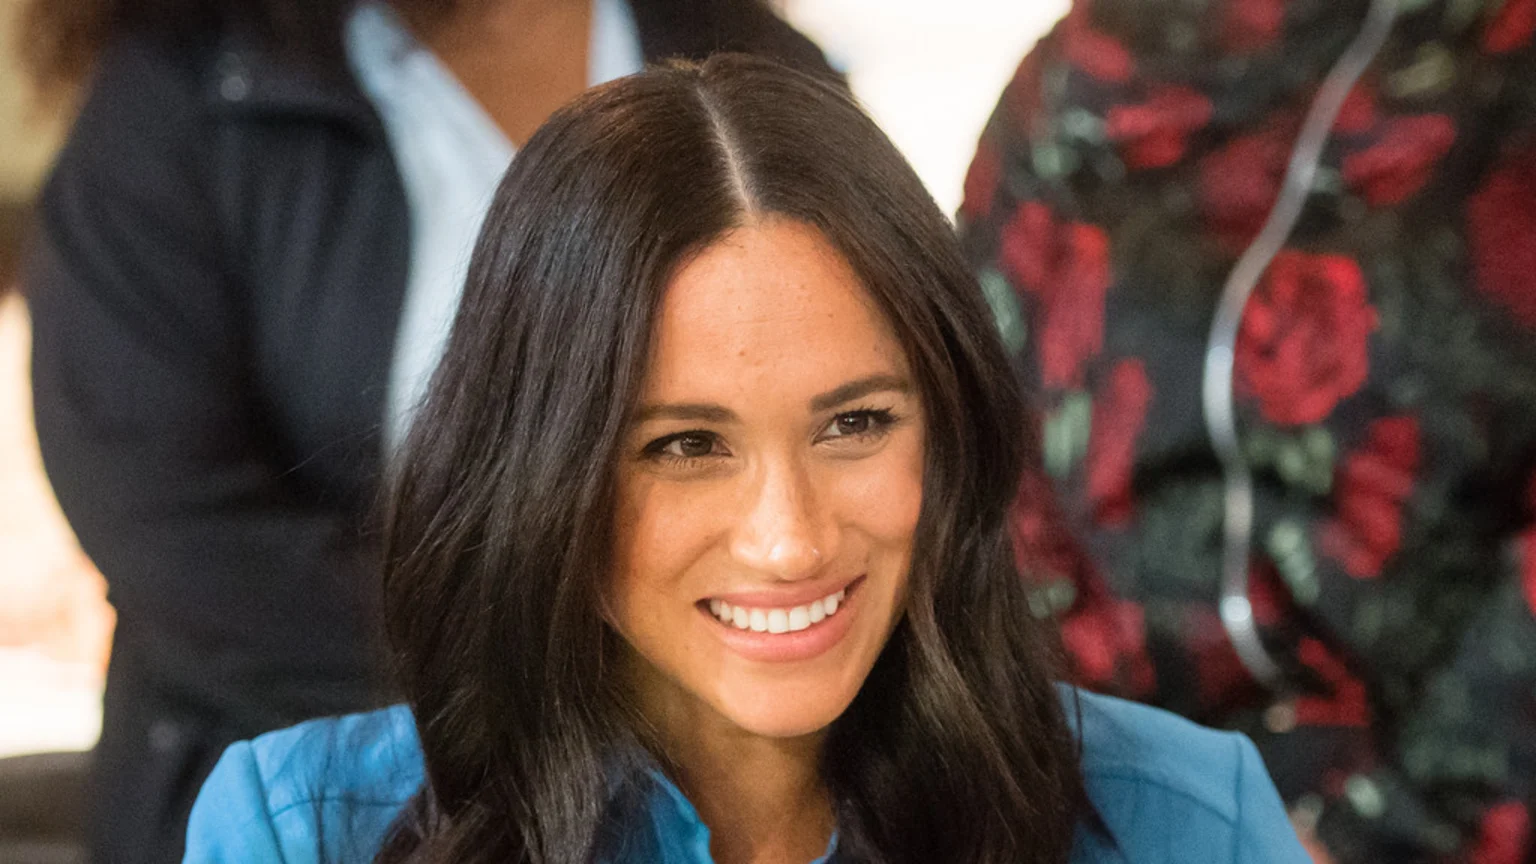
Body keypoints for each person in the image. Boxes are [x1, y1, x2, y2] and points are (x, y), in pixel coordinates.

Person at [181, 55, 1309, 864]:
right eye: (684, 445)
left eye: (856, 423)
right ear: (540, 473)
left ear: (952, 431)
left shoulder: (1187, 820)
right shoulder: (304, 832)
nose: (791, 538)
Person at [19, 1, 833, 861]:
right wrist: (555, 679)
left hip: (701, 790)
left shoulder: (759, 57)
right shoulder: (195, 93)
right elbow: (168, 524)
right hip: (310, 785)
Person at [958, 1, 1536, 862]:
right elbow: (972, 412)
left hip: (1418, 787)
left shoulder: (1504, 75)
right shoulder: (1089, 69)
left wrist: (1370, 831)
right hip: (1095, 771)